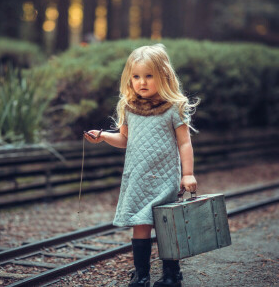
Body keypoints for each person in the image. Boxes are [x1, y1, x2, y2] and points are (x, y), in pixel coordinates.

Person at [84, 44, 198, 287]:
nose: (142, 82)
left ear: (164, 76)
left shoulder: (173, 108)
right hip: (138, 178)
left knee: (166, 226)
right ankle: (142, 275)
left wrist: (187, 174)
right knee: (140, 225)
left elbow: (185, 144)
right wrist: (104, 136)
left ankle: (171, 275)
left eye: (149, 76)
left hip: (165, 177)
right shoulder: (129, 107)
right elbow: (124, 139)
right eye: (136, 76)